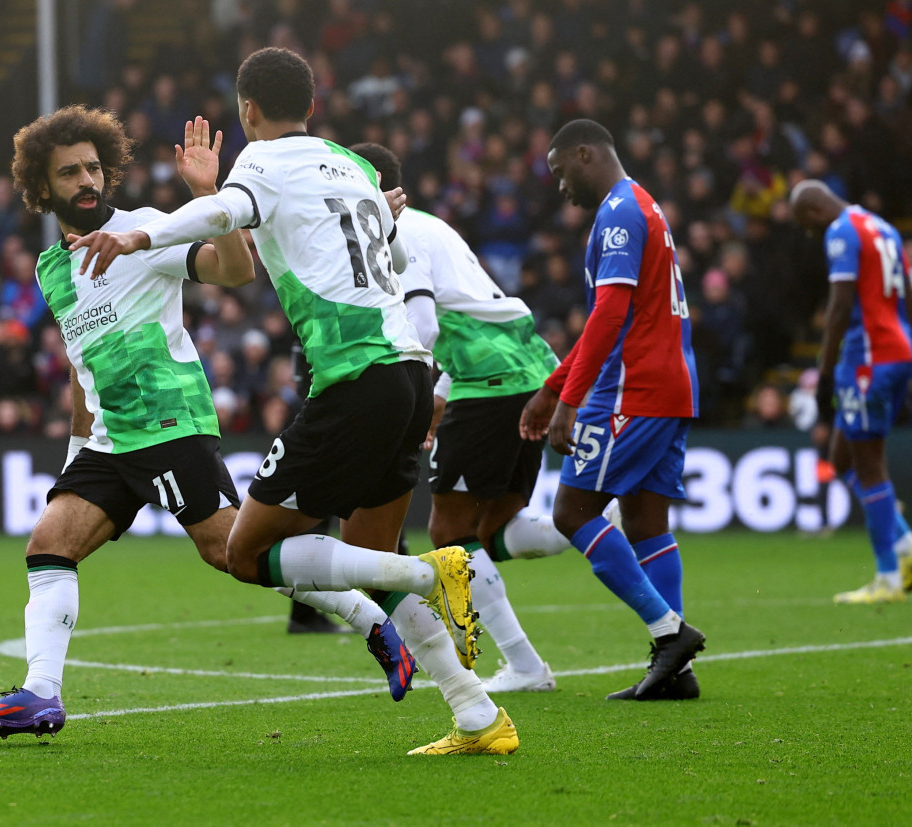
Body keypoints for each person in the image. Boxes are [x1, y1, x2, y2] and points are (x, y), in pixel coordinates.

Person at [69, 48, 516, 755]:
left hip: (354, 375)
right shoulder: (354, 165)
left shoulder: (263, 163)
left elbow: (228, 212)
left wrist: (139, 232)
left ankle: (429, 570)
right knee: (365, 558)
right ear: (311, 105)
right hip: (407, 373)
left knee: (249, 551)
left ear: (247, 110)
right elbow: (394, 260)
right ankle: (477, 713)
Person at [0, 107, 416, 741]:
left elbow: (235, 270)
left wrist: (207, 193)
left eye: (93, 167)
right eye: (70, 173)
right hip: (112, 441)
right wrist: (74, 450)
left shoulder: (145, 230)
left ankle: (373, 621)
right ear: (42, 186)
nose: (87, 180)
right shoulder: (51, 270)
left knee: (233, 553)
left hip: (172, 426)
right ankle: (41, 696)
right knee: (48, 546)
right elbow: (79, 364)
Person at [352, 141, 627, 694]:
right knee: (491, 528)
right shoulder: (434, 227)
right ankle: (598, 519)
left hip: (491, 381)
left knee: (449, 532)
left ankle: (526, 666)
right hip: (523, 368)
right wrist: (440, 395)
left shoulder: (394, 234)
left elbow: (425, 326)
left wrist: (408, 394)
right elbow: (472, 311)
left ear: (368, 184)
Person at [520, 119, 707, 701]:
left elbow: (609, 316)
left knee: (572, 513)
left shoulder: (621, 212)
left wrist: (568, 401)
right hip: (670, 386)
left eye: (560, 173)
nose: (560, 187)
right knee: (648, 523)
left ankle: (668, 632)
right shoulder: (643, 206)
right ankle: (674, 671)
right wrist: (554, 385)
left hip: (632, 389)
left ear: (585, 155)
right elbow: (615, 315)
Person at [791, 179, 912, 603]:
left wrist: (825, 373)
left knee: (870, 466)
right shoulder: (883, 228)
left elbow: (839, 309)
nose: (812, 235)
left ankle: (888, 577)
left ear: (814, 212)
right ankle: (906, 543)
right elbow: (908, 296)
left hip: (868, 357)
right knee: (841, 456)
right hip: (896, 350)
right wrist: (905, 345)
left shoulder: (841, 231)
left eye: (807, 226)